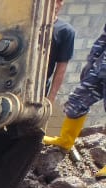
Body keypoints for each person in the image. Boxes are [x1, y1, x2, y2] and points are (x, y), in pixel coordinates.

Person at [45, 22, 105, 165]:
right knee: (76, 101)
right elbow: (103, 39)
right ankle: (65, 141)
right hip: (100, 69)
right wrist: (91, 62)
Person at [47, 0, 76, 105]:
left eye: (59, 1)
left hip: (39, 88)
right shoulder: (27, 26)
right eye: (51, 1)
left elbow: (61, 68)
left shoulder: (65, 31)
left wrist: (50, 99)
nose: (55, 5)